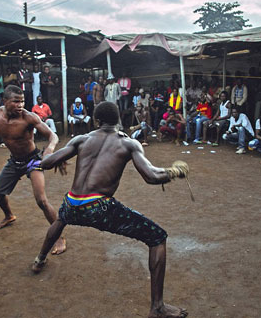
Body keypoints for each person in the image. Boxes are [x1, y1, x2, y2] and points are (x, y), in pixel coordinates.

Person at [31, 101, 188, 318]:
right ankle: (158, 308)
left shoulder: (82, 139)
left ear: (96, 120)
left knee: (60, 219)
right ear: (118, 121)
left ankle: (39, 260)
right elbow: (151, 176)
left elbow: (46, 163)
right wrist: (174, 171)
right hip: (99, 207)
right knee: (157, 237)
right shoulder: (129, 144)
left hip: (72, 202)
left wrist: (50, 151)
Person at [0, 85, 66, 254]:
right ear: (5, 101)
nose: (20, 105)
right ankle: (9, 216)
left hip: (33, 161)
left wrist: (49, 151)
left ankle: (58, 237)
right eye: (16, 101)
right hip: (14, 161)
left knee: (42, 201)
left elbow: (53, 135)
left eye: (22, 101)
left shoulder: (29, 117)